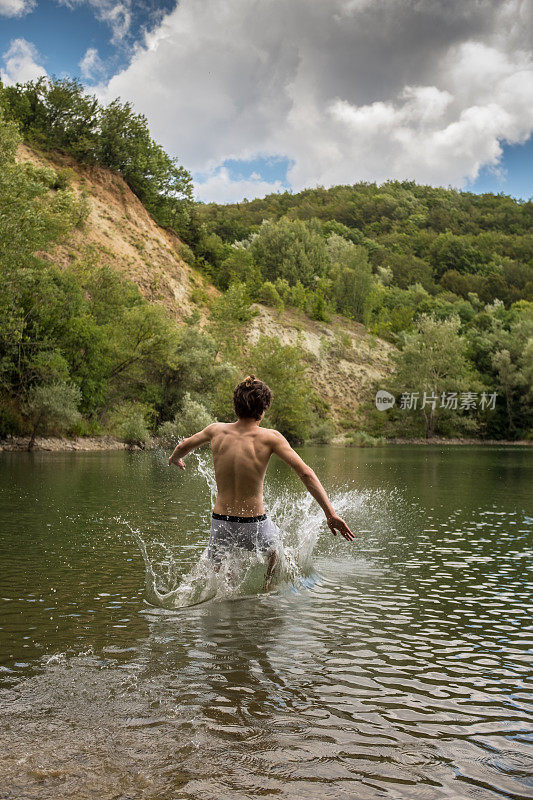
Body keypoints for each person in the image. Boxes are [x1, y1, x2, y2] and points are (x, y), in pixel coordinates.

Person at [169, 375, 355, 590]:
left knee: (220, 579)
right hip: (254, 525)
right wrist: (330, 513)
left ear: (236, 405)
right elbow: (306, 474)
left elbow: (185, 444)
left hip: (220, 522)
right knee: (277, 551)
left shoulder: (215, 430)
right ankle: (268, 588)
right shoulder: (270, 437)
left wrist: (175, 458)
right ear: (263, 408)